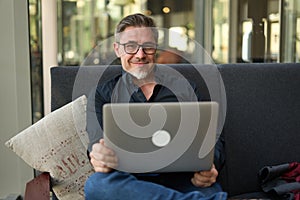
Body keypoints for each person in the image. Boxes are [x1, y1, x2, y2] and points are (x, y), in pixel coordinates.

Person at [84, 13, 227, 200]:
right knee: (97, 185)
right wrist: (98, 156)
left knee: (210, 189)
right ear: (117, 49)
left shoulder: (185, 88)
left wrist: (210, 165)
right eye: (131, 46)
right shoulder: (102, 94)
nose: (140, 55)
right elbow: (95, 144)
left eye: (148, 47)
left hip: (183, 179)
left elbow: (214, 139)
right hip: (129, 182)